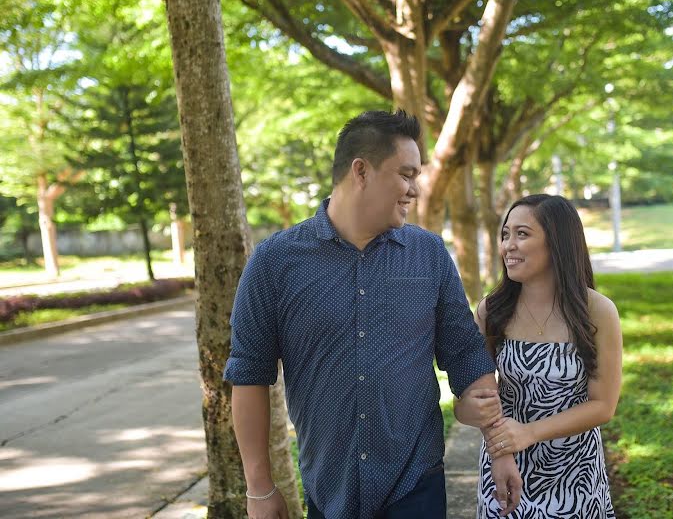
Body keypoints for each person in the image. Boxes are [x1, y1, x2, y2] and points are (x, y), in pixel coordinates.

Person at [223, 109, 521, 519]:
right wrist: (258, 489)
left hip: (416, 485)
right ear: (360, 171)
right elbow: (249, 374)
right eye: (406, 174)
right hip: (328, 493)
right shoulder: (274, 264)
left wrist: (498, 446)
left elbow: (466, 354)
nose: (414, 190)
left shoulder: (429, 255)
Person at [466, 194, 622, 518]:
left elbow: (603, 405)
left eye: (522, 234)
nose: (509, 245)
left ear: (557, 243)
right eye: (505, 234)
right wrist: (500, 451)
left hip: (575, 476)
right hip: (505, 470)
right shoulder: (491, 311)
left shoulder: (598, 312)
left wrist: (528, 433)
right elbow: (475, 397)